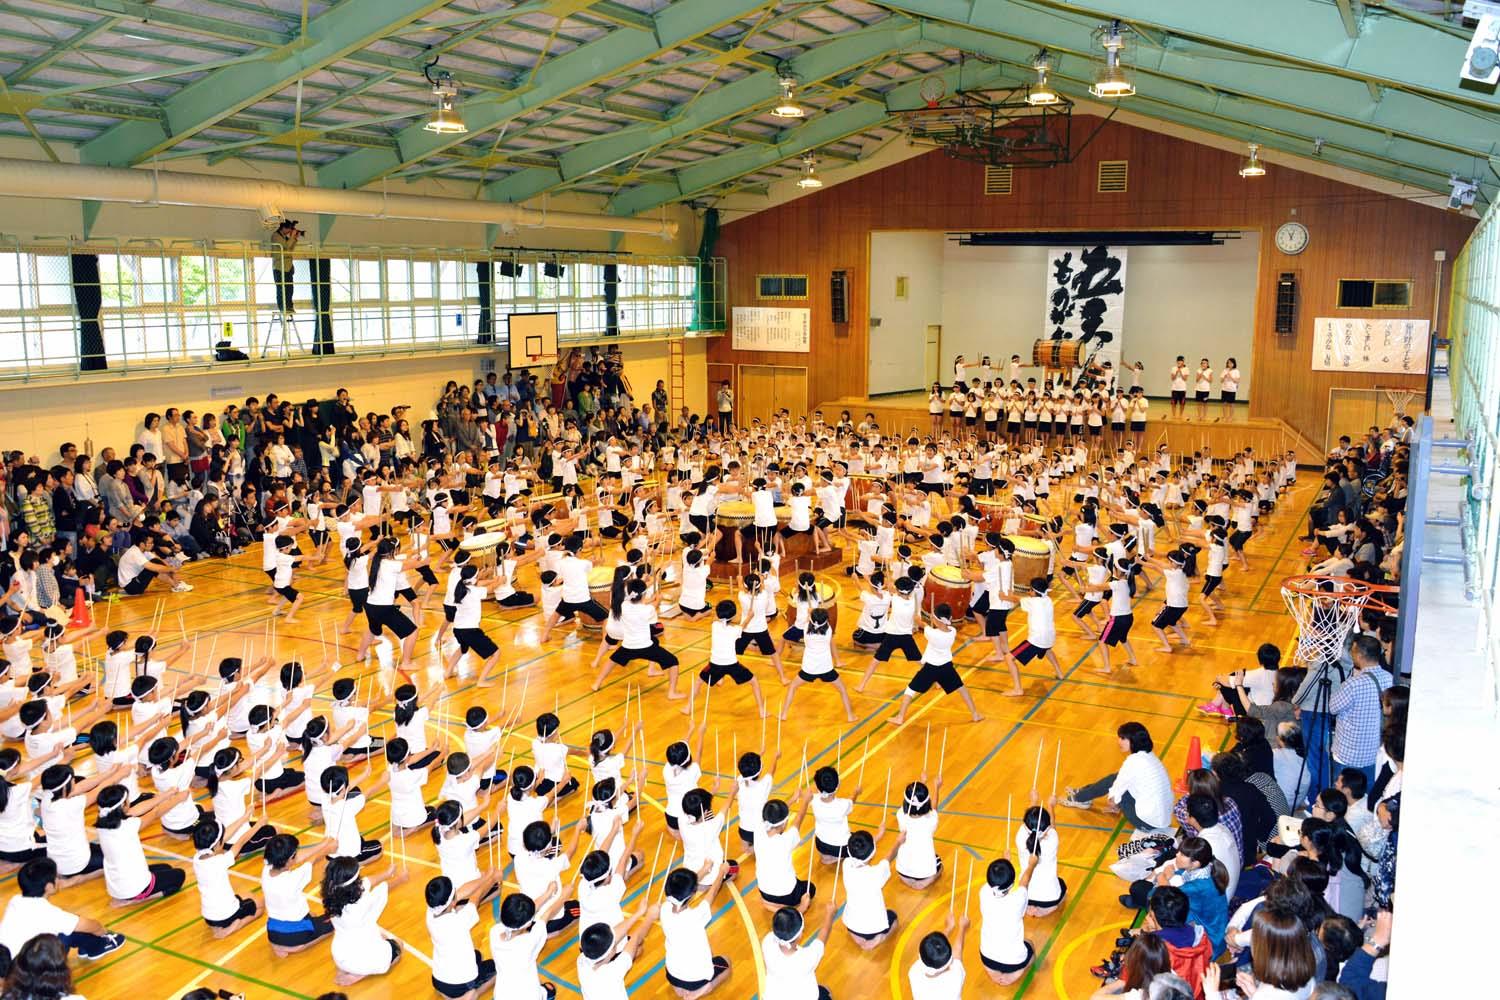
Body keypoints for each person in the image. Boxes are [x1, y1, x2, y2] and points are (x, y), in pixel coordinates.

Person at [1062, 722, 1175, 833]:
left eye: (1123, 738)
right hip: (1164, 819)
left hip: (1146, 823)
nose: (1119, 741)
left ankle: (1079, 798)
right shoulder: (1150, 756)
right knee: (1119, 781)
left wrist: (1115, 803)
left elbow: (1113, 796)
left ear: (1133, 741)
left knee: (1114, 781)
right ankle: (1084, 793)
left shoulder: (1133, 762)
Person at [0, 860, 125, 960]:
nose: (59, 879)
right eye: (56, 877)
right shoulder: (47, 913)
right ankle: (98, 946)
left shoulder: (15, 900)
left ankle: (87, 945)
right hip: (25, 971)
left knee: (70, 924)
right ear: (49, 887)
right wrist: (103, 932)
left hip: (7, 962)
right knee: (69, 932)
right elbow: (91, 926)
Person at [762, 903, 837, 1000]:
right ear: (800, 935)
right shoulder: (806, 958)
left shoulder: (768, 941)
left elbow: (785, 926)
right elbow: (824, 934)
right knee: (827, 990)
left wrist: (801, 908)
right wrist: (830, 914)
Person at [908, 916, 968, 999]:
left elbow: (933, 949)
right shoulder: (955, 978)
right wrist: (962, 928)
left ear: (920, 956)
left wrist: (948, 928)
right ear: (950, 961)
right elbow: (958, 951)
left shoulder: (914, 971)